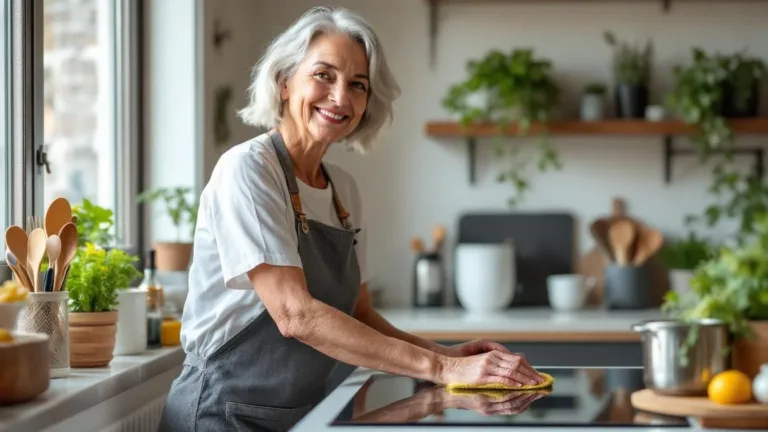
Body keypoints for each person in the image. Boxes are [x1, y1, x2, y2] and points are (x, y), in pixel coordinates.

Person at [158, 6, 545, 432]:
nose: (340, 97)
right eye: (323, 75)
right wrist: (441, 369)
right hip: (221, 414)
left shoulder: (343, 190)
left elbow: (360, 312)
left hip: (302, 415)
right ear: (285, 83)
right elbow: (295, 314)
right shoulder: (248, 170)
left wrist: (448, 356)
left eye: (357, 85)